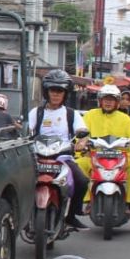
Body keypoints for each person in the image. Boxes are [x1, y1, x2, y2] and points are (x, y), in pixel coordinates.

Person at [79, 84, 130, 229]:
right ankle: (87, 201)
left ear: (117, 102)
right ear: (100, 100)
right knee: (78, 165)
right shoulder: (90, 115)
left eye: (112, 99)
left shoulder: (125, 118)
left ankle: (128, 205)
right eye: (105, 99)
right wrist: (82, 141)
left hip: (120, 157)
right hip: (94, 155)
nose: (108, 102)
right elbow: (81, 132)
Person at [26, 69, 89, 229]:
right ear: (46, 92)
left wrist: (82, 141)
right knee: (20, 180)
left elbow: (82, 132)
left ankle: (72, 215)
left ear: (65, 93)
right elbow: (26, 131)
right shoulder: (36, 112)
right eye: (53, 90)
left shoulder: (71, 114)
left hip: (63, 157)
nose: (56, 94)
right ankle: (21, 214)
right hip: (37, 156)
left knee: (82, 181)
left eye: (59, 91)